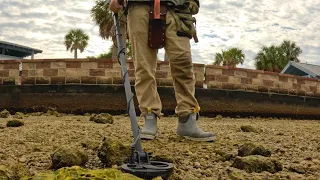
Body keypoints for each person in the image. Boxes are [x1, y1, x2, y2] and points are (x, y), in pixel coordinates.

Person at [109, 0, 215, 142]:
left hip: (177, 8)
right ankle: (149, 116)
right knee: (143, 66)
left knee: (183, 64)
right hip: (139, 6)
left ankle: (187, 119)